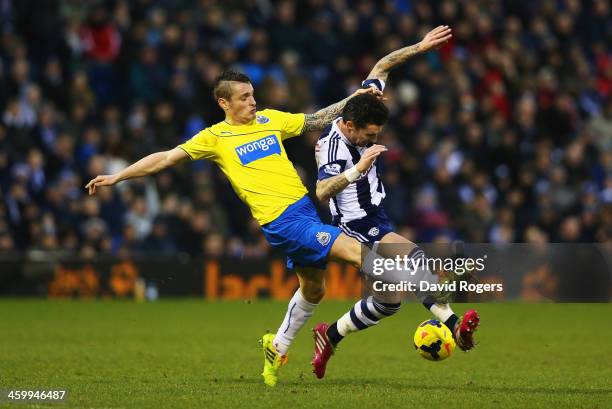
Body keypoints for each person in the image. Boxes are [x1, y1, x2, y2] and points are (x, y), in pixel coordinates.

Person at [85, 26, 456, 388]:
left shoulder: (270, 120)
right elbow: (165, 158)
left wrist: (358, 101)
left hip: (306, 212)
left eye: (252, 94)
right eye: (244, 97)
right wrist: (117, 178)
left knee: (314, 290)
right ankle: (445, 316)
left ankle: (276, 347)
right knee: (366, 258)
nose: (252, 101)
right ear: (224, 103)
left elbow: (319, 118)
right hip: (282, 221)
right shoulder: (214, 138)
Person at [313, 95, 479, 380]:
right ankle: (453, 324)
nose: (373, 140)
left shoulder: (359, 114)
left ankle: (328, 336)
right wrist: (358, 168)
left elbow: (380, 70)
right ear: (351, 126)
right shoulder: (332, 149)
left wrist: (417, 48)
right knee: (411, 260)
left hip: (376, 217)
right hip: (353, 224)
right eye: (369, 135)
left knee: (388, 302)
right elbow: (321, 191)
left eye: (377, 134)